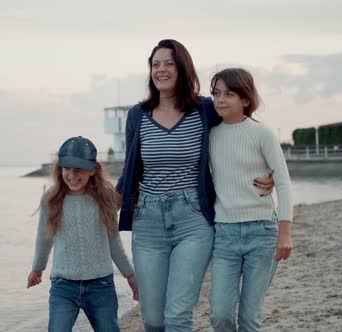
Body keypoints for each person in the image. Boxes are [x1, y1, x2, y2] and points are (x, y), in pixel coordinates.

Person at [115, 39, 274, 331]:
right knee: (152, 320)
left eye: (169, 63)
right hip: (147, 222)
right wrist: (99, 203)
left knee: (178, 316)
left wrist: (270, 171)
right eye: (155, 64)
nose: (161, 70)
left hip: (193, 220)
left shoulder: (205, 109)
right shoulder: (137, 116)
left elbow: (244, 127)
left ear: (183, 68)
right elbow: (129, 169)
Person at [208, 68, 293, 332]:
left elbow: (283, 182)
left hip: (262, 232)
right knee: (220, 314)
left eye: (229, 94)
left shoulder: (263, 134)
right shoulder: (209, 136)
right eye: (216, 93)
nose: (220, 99)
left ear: (245, 99)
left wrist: (285, 233)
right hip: (224, 234)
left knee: (249, 317)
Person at [27, 136, 138, 332]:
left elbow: (114, 243)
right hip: (63, 286)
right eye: (66, 168)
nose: (71, 175)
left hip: (101, 285)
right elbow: (44, 238)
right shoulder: (51, 200)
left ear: (93, 169)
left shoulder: (105, 198)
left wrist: (130, 275)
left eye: (78, 169)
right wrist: (37, 268)